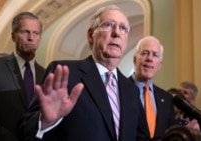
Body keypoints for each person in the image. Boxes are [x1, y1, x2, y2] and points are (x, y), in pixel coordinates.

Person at [18, 5, 149, 141]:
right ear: (91, 35)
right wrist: (45, 121)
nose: (117, 33)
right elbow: (24, 128)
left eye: (123, 28)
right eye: (109, 25)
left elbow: (141, 137)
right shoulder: (64, 73)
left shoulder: (131, 89)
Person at [0, 12, 45, 141]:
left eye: (36, 33)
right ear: (13, 36)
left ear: (40, 38)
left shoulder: (45, 74)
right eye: (24, 32)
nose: (31, 38)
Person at [128, 36, 175, 140]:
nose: (149, 58)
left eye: (155, 55)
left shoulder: (167, 99)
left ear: (160, 65)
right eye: (145, 53)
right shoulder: (120, 89)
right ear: (135, 60)